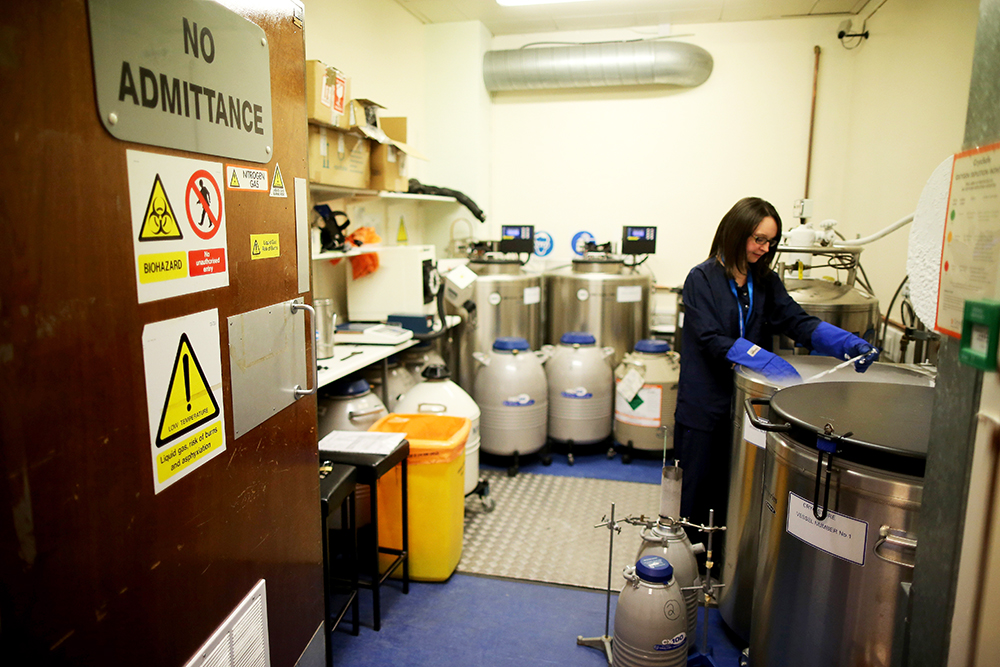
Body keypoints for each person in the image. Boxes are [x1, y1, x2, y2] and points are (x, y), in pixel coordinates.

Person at [674, 196, 878, 551]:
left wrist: (845, 342)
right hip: (705, 407)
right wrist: (765, 361)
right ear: (735, 232)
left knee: (738, 489)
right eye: (758, 239)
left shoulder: (764, 281)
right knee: (697, 490)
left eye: (770, 241)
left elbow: (796, 321)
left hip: (748, 406)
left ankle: (725, 561)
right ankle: (689, 561)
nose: (765, 248)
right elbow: (711, 338)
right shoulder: (701, 278)